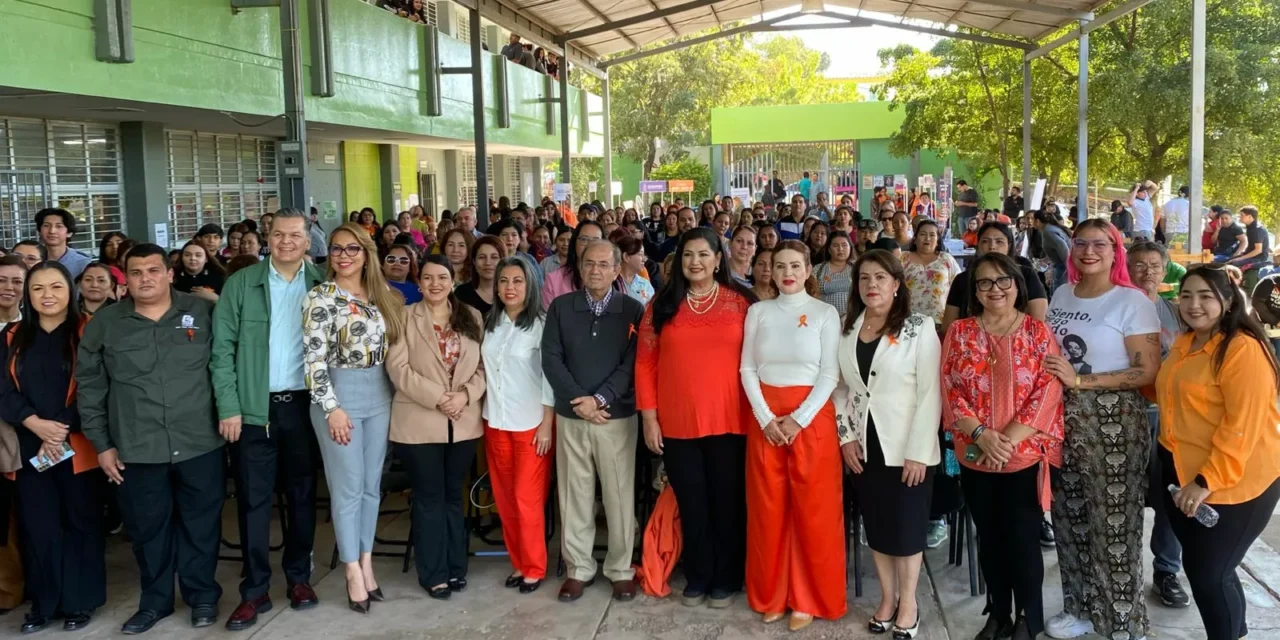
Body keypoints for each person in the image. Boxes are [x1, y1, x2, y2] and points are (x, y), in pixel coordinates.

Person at [77, 243, 225, 634]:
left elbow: (224, 366)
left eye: (154, 271)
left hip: (199, 441)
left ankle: (202, 595)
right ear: (125, 279)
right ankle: (155, 601)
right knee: (147, 530)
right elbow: (90, 387)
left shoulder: (202, 312)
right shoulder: (106, 324)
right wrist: (102, 445)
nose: (146, 279)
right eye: (137, 273)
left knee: (201, 525)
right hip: (136, 447)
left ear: (170, 273)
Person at [1042, 219, 1161, 640]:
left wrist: (1082, 382)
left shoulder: (1131, 302)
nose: (1088, 251)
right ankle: (1080, 609)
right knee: (1070, 518)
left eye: (1100, 244)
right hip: (1061, 417)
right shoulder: (1060, 293)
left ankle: (1124, 623)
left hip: (1113, 422)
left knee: (1114, 526)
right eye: (1081, 243)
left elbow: (1147, 370)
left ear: (1115, 251)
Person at [210, 208, 325, 630]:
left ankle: (299, 579)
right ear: (267, 238)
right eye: (278, 235)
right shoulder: (242, 283)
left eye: (295, 235)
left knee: (301, 496)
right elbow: (221, 351)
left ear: (308, 240)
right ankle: (254, 589)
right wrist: (229, 406)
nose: (286, 242)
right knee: (254, 502)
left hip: (304, 407)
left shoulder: (322, 286)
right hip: (253, 410)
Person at [940, 252, 1064, 640]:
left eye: (1003, 281)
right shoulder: (959, 332)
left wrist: (1005, 441)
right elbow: (948, 387)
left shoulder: (1036, 332)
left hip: (1022, 456)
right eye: (985, 282)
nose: (995, 289)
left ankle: (1029, 617)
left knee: (1024, 539)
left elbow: (1049, 391)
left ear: (1017, 285)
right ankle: (999, 613)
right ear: (974, 290)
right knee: (989, 538)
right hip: (976, 454)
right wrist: (982, 436)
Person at [1158, 266, 1280, 640]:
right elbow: (1171, 393)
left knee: (1210, 575)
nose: (1194, 304)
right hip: (1178, 471)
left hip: (1232, 482)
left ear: (1227, 302)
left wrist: (1205, 481)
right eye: (1187, 295)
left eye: (1206, 296)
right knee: (1209, 572)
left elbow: (1242, 425)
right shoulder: (1187, 341)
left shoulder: (1242, 348)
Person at [637, 227, 754, 609]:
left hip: (731, 419)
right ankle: (699, 574)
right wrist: (649, 418)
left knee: (727, 501)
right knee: (692, 501)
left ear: (719, 259)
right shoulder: (662, 304)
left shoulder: (742, 303)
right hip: (678, 421)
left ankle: (727, 576)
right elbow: (645, 363)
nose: (695, 262)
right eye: (688, 254)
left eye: (704, 254)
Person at [739, 240, 845, 631]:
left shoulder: (825, 313)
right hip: (765, 419)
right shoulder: (758, 312)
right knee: (768, 510)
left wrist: (797, 420)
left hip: (811, 420)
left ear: (807, 270)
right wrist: (766, 417)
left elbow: (829, 374)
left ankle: (807, 597)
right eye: (778, 265)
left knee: (812, 512)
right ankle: (772, 593)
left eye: (795, 266)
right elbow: (747, 369)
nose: (787, 272)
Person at [836, 249, 941, 639]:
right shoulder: (848, 330)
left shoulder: (919, 327)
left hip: (908, 446)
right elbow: (841, 389)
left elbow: (932, 394)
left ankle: (909, 604)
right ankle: (887, 598)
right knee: (877, 526)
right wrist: (845, 437)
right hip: (866, 444)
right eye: (864, 278)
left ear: (897, 284)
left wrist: (918, 450)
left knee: (907, 528)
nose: (872, 285)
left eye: (880, 278)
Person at [303, 222, 405, 613]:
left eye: (352, 249)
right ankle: (350, 570)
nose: (343, 256)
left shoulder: (383, 296)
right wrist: (332, 409)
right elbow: (313, 361)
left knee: (370, 486)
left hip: (379, 392)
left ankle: (366, 559)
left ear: (366, 254)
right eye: (336, 249)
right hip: (338, 396)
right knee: (346, 489)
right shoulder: (320, 297)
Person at [1, 262, 105, 634]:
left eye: (56, 287)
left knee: (80, 523)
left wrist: (60, 428)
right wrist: (34, 423)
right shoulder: (13, 335)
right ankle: (44, 604)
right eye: (38, 288)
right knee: (39, 525)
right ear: (28, 295)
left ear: (71, 291)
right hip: (29, 446)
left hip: (77, 443)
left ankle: (80, 601)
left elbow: (98, 385)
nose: (47, 295)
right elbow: (3, 390)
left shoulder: (88, 331)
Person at [541, 239, 644, 604]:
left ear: (618, 270)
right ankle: (578, 569)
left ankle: (620, 569)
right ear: (579, 268)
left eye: (604, 264)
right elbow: (551, 358)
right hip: (572, 415)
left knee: (618, 494)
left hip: (615, 417)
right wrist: (580, 402)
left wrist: (600, 399)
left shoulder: (632, 309)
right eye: (589, 264)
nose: (596, 270)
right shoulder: (560, 307)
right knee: (574, 494)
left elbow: (632, 365)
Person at [386, 255, 485, 599]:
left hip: (462, 421)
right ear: (419, 282)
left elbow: (484, 369)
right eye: (427, 278)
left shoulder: (471, 317)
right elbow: (398, 369)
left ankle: (456, 567)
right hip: (418, 422)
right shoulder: (404, 317)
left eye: (442, 277)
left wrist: (464, 396)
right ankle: (434, 573)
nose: (435, 284)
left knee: (453, 497)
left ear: (453, 280)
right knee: (429, 498)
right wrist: (440, 397)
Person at [1125, 241, 1191, 610]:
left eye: (1154, 264)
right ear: (1126, 267)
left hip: (1168, 419)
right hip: (1122, 414)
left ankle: (1167, 570)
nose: (1147, 271)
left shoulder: (1177, 313)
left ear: (1165, 269)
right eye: (1139, 265)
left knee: (1170, 495)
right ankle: (1121, 570)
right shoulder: (1115, 308)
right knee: (1123, 494)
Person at [483, 257, 554, 594]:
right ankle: (518, 562)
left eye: (517, 281)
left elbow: (549, 380)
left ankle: (535, 566)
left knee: (527, 499)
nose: (509, 288)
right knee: (506, 499)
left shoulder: (541, 324)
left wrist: (546, 424)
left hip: (530, 424)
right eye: (504, 281)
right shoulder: (491, 322)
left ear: (531, 285)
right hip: (495, 421)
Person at [902, 219, 961, 325]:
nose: (927, 238)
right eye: (923, 234)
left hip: (940, 322)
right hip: (906, 322)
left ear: (938, 239)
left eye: (932, 235)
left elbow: (959, 288)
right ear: (915, 239)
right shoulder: (902, 258)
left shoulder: (946, 259)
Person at [541, 221, 606, 311]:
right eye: (583, 239)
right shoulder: (554, 280)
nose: (589, 245)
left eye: (596, 240)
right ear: (574, 243)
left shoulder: (614, 279)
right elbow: (548, 319)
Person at [455, 235, 504, 315]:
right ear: (474, 262)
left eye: (494, 257)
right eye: (482, 257)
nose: (488, 262)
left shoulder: (511, 292)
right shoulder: (461, 294)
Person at [35, 208, 90, 279]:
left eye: (59, 226)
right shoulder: (33, 259)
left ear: (69, 233)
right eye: (46, 225)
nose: (52, 231)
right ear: (40, 231)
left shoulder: (83, 264)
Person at [813, 231, 854, 319]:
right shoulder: (818, 269)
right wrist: (849, 284)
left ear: (850, 247)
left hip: (851, 319)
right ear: (829, 249)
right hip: (823, 318)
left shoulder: (857, 268)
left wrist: (824, 287)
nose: (840, 249)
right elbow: (812, 290)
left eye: (844, 245)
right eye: (835, 245)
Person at [1032, 210, 1072, 295]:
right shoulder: (1051, 229)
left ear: (1037, 221)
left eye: (1032, 220)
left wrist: (1070, 270)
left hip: (1063, 268)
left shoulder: (1048, 232)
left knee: (1059, 297)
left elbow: (1064, 249)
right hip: (1062, 267)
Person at [1228, 205, 1271, 271]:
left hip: (1259, 258)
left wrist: (1241, 258)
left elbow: (1258, 250)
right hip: (1251, 255)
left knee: (1233, 264)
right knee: (1228, 260)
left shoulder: (1257, 229)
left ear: (1250, 217)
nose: (1240, 217)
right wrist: (1243, 253)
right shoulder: (1250, 227)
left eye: (1242, 215)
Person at [616, 236, 653, 306]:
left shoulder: (645, 284)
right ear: (626, 257)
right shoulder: (610, 282)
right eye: (640, 254)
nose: (644, 259)